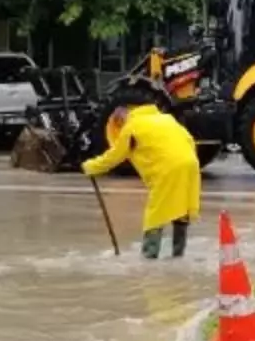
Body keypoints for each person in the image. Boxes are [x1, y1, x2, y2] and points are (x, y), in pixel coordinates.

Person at [82, 104, 201, 259]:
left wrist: (91, 166)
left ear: (121, 120)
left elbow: (115, 156)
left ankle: (149, 257)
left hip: (167, 169)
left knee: (155, 214)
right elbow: (189, 140)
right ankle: (178, 255)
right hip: (191, 163)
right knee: (181, 210)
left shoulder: (131, 127)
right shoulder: (166, 118)